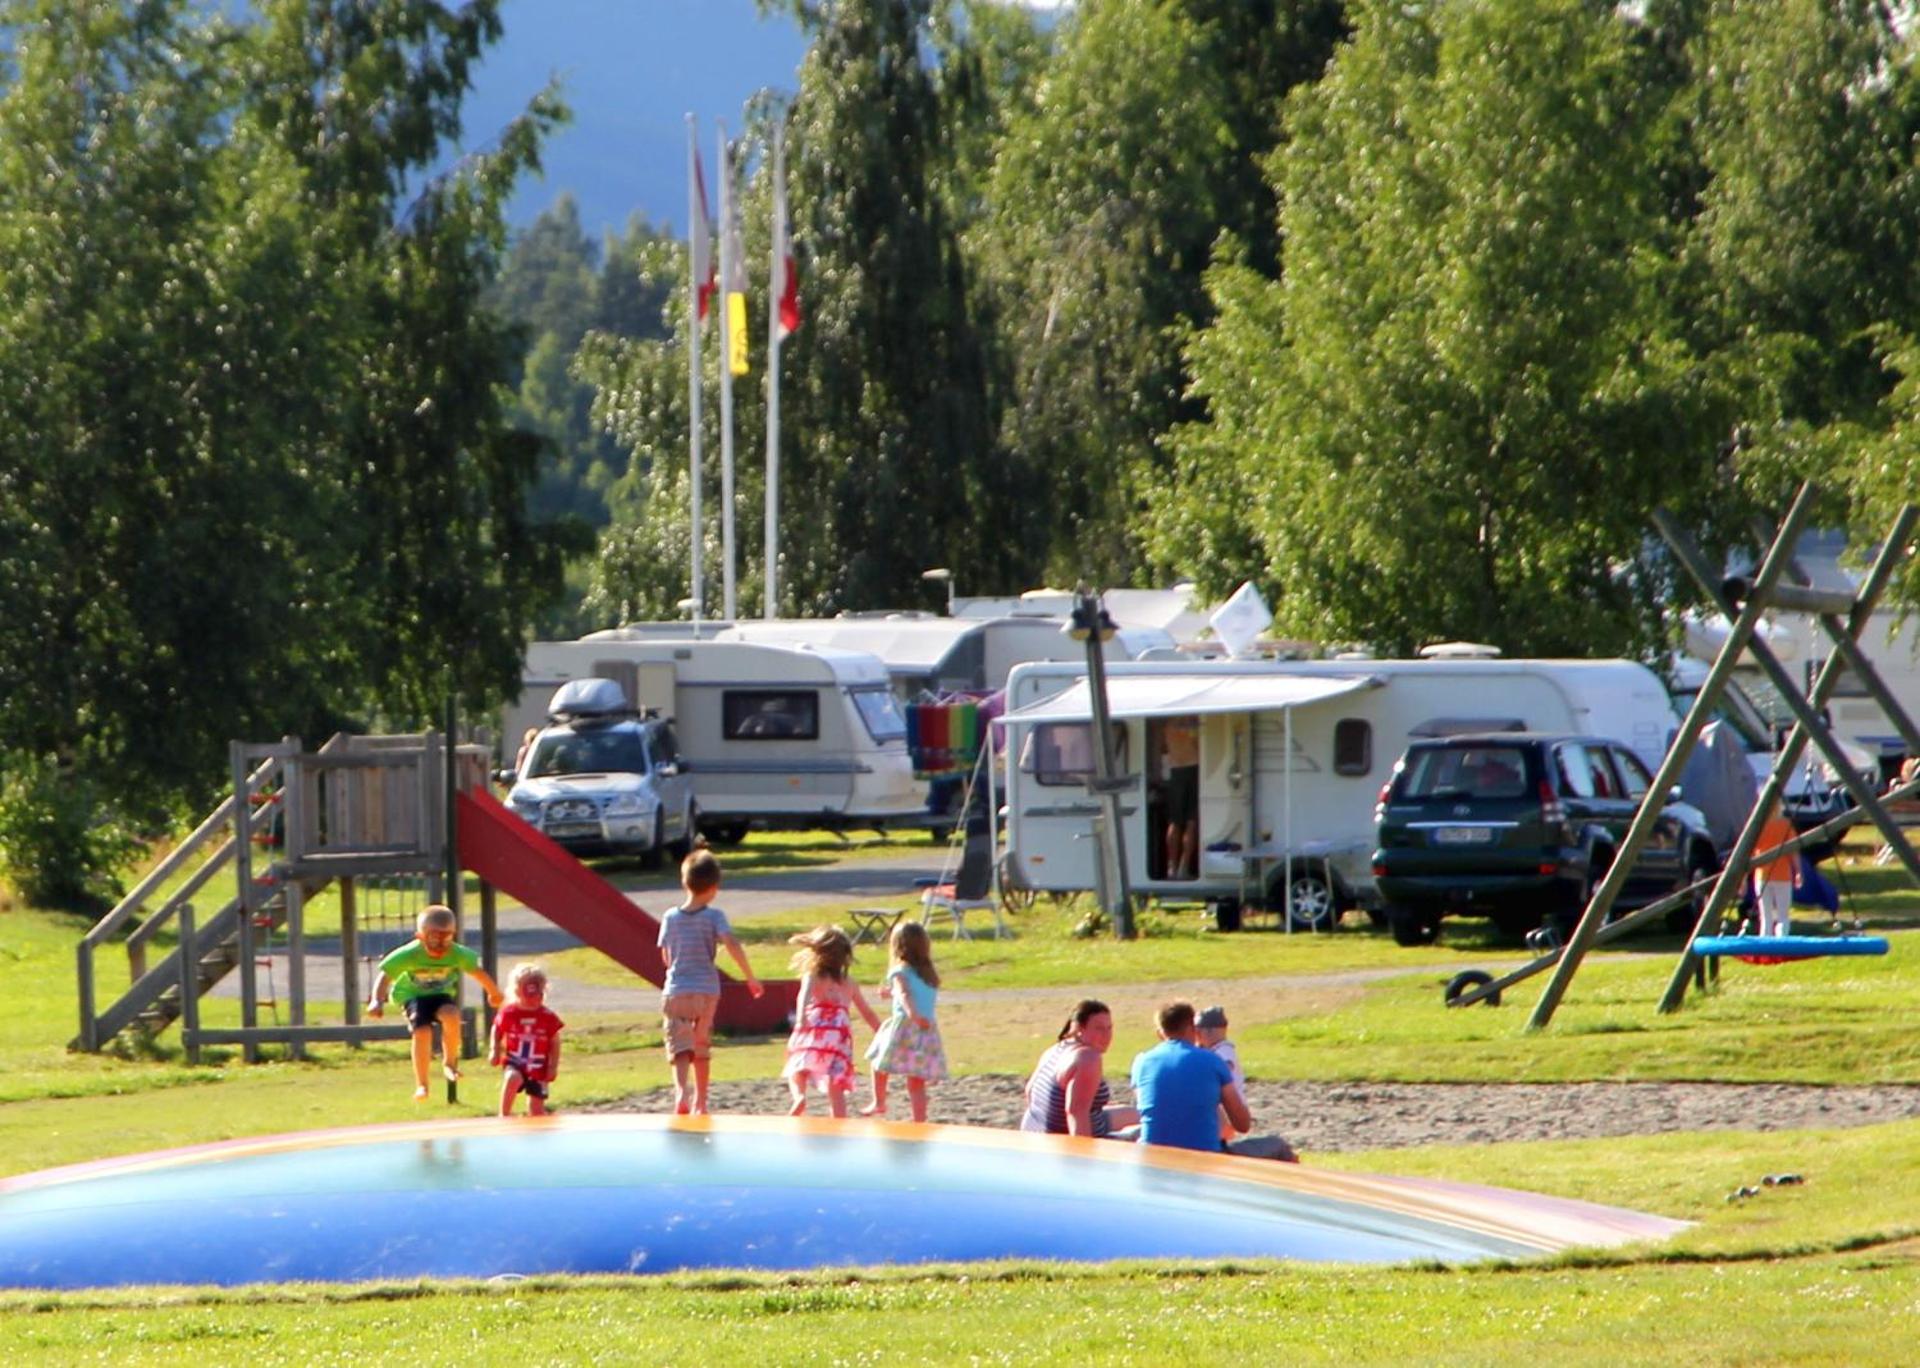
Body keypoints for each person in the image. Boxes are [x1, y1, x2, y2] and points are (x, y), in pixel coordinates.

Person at [657, 848, 764, 1115]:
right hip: (707, 990)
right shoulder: (715, 917)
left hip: (677, 989)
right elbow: (731, 943)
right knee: (701, 1042)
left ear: (684, 881)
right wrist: (749, 977)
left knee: (679, 1044)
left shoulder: (670, 917)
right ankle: (701, 1101)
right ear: (715, 887)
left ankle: (682, 1092)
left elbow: (665, 955)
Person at [366, 905, 503, 1102]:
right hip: (413, 996)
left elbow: (477, 971)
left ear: (453, 936)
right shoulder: (410, 953)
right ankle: (422, 1084)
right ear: (420, 937)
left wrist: (494, 993)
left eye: (446, 939)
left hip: (440, 995)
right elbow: (385, 976)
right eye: (433, 938)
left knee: (452, 1015)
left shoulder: (456, 953)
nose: (440, 946)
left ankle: (450, 1062)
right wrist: (377, 1000)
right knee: (422, 1032)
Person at [782, 926, 881, 1118]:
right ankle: (839, 1119)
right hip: (839, 1033)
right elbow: (866, 1012)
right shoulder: (849, 982)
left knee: (798, 1065)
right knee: (836, 1082)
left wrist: (801, 1017)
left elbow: (804, 995)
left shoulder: (814, 975)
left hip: (816, 1026)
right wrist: (880, 1030)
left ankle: (799, 1097)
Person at [1129, 1000, 1251, 1152]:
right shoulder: (1213, 1061)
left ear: (1160, 1033)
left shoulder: (1141, 1063)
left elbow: (1147, 1109)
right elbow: (1242, 1124)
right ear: (1192, 1028)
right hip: (1202, 1159)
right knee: (1277, 1147)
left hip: (1152, 1157)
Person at [860, 921, 948, 1122]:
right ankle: (920, 1118)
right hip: (927, 1028)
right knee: (916, 1080)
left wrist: (911, 1013)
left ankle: (879, 1101)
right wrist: (891, 994)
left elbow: (905, 993)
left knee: (878, 1063)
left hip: (905, 1025)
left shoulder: (899, 971)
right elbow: (914, 992)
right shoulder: (928, 973)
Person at [1019, 999, 1140, 1138]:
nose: (1107, 1036)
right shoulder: (1087, 1058)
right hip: (1064, 1139)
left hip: (1036, 1130)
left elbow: (1030, 1090)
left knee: (1133, 1113)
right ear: (1079, 1028)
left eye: (1109, 1028)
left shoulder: (1057, 1049)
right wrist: (1082, 1156)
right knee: (1146, 1127)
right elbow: (1075, 1112)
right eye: (1099, 1028)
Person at [490, 962, 564, 1117]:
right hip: (516, 1060)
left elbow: (555, 1041)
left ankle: (536, 1130)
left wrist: (553, 1067)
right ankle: (504, 1114)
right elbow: (497, 1028)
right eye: (528, 995)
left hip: (538, 1065)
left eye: (538, 995)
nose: (533, 1000)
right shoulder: (508, 1013)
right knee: (512, 1078)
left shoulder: (548, 1017)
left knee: (536, 1107)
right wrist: (494, 1050)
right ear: (517, 991)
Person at [1195, 1004, 1245, 1147]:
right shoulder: (1221, 1051)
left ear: (1207, 1031)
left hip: (1225, 1120)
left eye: (1197, 1031)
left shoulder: (1222, 1055)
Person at [1752, 797, 1799, 937]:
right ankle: (1782, 945)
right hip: (1782, 876)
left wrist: (1742, 878)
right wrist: (1798, 871)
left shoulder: (1757, 826)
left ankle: (1764, 949)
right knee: (1783, 916)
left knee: (1765, 917)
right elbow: (1793, 851)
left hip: (1762, 875)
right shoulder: (1785, 825)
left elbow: (1750, 852)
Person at [1162, 717, 1200, 879]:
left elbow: (1163, 747)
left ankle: (1172, 866)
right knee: (1191, 821)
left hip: (1175, 770)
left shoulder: (1168, 724)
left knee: (1175, 821)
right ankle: (1184, 866)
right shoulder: (1193, 721)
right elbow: (1199, 745)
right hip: (1193, 768)